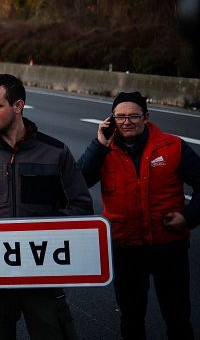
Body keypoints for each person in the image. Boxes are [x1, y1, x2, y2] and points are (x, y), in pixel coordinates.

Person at [0, 74, 93, 340]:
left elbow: (80, 206)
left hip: (42, 272)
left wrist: (45, 230)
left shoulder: (55, 152)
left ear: (18, 106)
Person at [78, 91, 200, 339]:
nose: (126, 122)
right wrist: (99, 145)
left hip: (169, 246)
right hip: (126, 247)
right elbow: (78, 182)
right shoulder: (104, 150)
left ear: (146, 117)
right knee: (131, 318)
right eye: (120, 117)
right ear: (111, 119)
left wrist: (188, 217)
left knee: (178, 317)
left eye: (133, 116)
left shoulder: (172, 146)